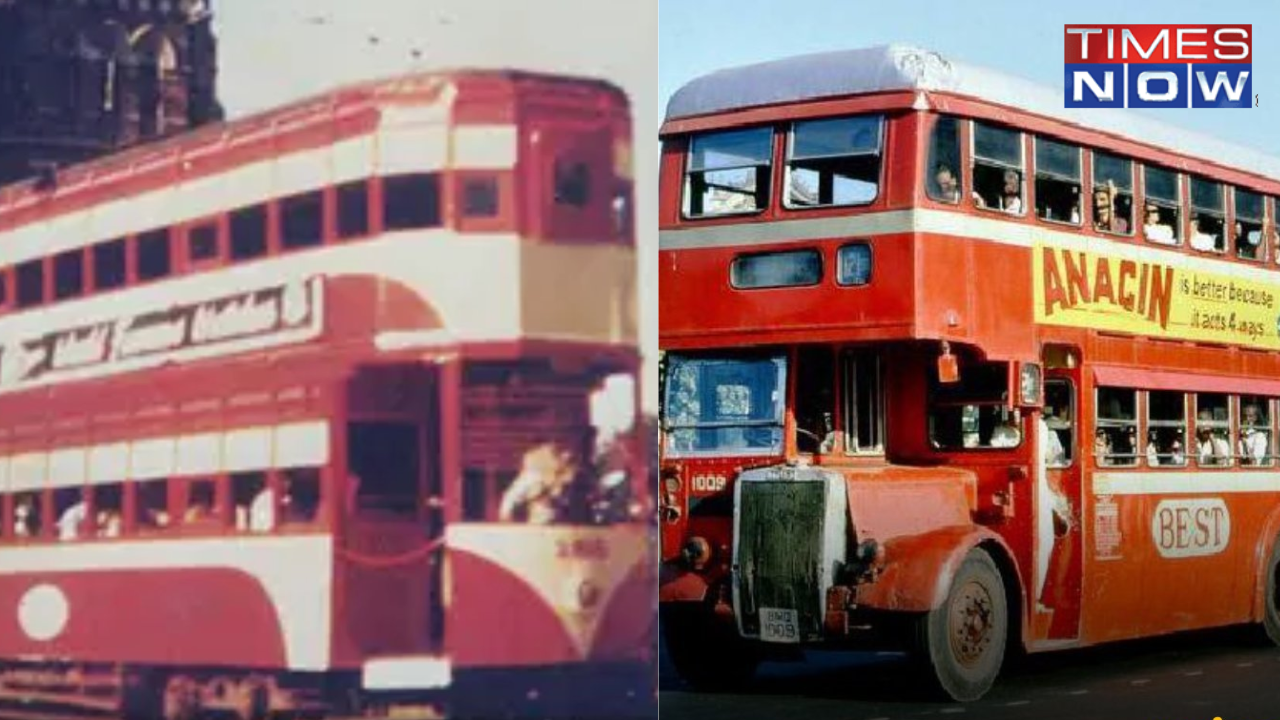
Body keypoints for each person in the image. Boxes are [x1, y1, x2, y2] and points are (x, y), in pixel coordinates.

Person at [499, 442, 579, 524]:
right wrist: (505, 515)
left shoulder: (569, 476)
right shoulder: (533, 475)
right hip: (539, 519)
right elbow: (511, 496)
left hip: (562, 521)